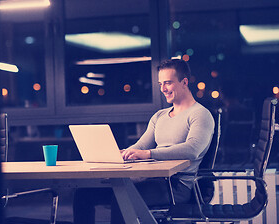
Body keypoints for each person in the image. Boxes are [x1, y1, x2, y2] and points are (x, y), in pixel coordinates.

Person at [73, 58, 215, 224]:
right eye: (160, 83)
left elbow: (192, 150)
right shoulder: (160, 116)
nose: (163, 89)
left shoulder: (200, 114)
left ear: (184, 82)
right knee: (83, 194)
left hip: (176, 187)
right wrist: (123, 153)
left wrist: (148, 154)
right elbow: (140, 146)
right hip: (151, 179)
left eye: (168, 83)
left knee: (122, 199)